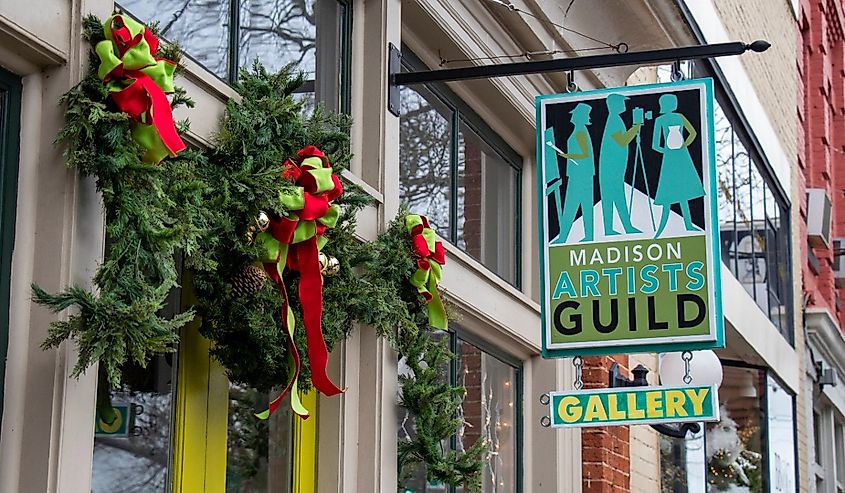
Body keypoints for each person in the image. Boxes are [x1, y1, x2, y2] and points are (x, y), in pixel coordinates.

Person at [651, 93, 705, 238]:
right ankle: (664, 229)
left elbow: (655, 145)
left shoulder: (661, 120)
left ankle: (680, 226)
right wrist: (682, 146)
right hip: (681, 157)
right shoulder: (677, 118)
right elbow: (692, 133)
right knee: (679, 193)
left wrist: (668, 151)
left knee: (675, 193)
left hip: (673, 158)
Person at [599, 93, 642, 236]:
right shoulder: (614, 120)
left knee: (614, 197)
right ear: (615, 105)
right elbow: (622, 141)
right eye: (622, 102)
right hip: (610, 169)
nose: (624, 105)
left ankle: (619, 227)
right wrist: (636, 127)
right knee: (614, 197)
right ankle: (616, 228)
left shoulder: (615, 120)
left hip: (613, 168)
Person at [555, 102, 595, 243]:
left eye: (575, 115)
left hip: (580, 175)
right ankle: (582, 236)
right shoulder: (579, 131)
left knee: (573, 206)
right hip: (579, 174)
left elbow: (585, 154)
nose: (572, 117)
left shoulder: (580, 133)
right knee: (578, 206)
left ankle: (567, 237)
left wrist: (568, 156)